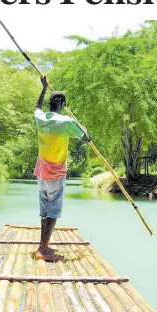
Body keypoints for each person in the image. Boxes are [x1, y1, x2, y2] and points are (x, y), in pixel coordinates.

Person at [34, 76, 90, 262]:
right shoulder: (66, 122)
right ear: (64, 104)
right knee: (53, 211)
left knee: (45, 210)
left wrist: (43, 88)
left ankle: (43, 244)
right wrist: (83, 128)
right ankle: (43, 248)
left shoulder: (41, 119)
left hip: (41, 173)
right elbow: (85, 138)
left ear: (50, 103)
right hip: (56, 174)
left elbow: (37, 108)